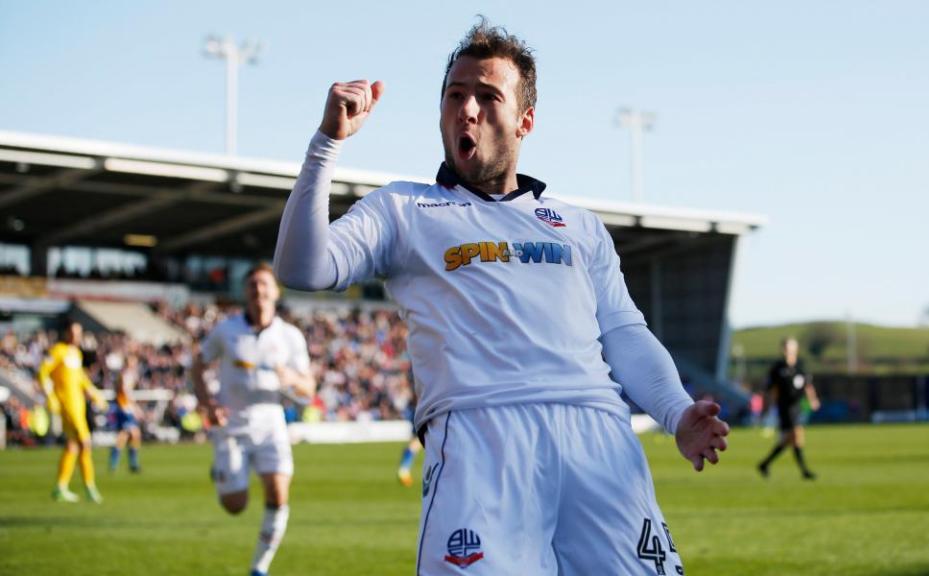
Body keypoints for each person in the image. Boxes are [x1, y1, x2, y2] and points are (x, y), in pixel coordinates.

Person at [274, 19, 729, 575]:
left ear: (524, 121)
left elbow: (625, 334)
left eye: (488, 97)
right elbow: (302, 267)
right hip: (479, 439)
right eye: (455, 96)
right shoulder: (402, 210)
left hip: (599, 439)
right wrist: (327, 144)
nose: (468, 109)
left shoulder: (578, 227)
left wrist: (677, 411)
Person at [192, 263, 316, 576]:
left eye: (264, 284)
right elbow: (197, 365)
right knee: (235, 505)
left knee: (278, 495)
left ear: (276, 291)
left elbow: (308, 386)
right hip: (232, 427)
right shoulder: (227, 330)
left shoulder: (290, 336)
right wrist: (207, 403)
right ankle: (221, 469)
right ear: (246, 292)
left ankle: (259, 568)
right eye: (252, 285)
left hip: (272, 424)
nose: (258, 290)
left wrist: (291, 378)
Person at [38, 321, 107, 503]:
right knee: (85, 442)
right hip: (68, 406)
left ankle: (61, 487)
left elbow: (81, 378)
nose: (76, 336)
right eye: (73, 332)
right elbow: (43, 372)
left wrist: (94, 394)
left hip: (79, 405)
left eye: (79, 332)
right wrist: (50, 396)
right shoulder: (58, 350)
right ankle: (89, 486)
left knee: (73, 446)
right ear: (66, 333)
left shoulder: (75, 353)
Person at [757, 337, 821, 480]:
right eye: (786, 348)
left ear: (795, 349)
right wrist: (765, 409)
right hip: (784, 408)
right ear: (783, 349)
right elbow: (768, 390)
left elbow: (808, 385)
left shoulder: (800, 367)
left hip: (797, 407)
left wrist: (813, 400)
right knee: (796, 436)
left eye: (791, 348)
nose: (788, 351)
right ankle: (804, 471)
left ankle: (765, 464)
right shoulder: (777, 368)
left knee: (790, 440)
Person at [109, 354, 142, 473]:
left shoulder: (126, 375)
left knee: (133, 435)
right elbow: (125, 392)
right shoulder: (125, 375)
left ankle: (131, 464)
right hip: (125, 408)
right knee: (125, 435)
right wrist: (134, 407)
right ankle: (117, 463)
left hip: (125, 407)